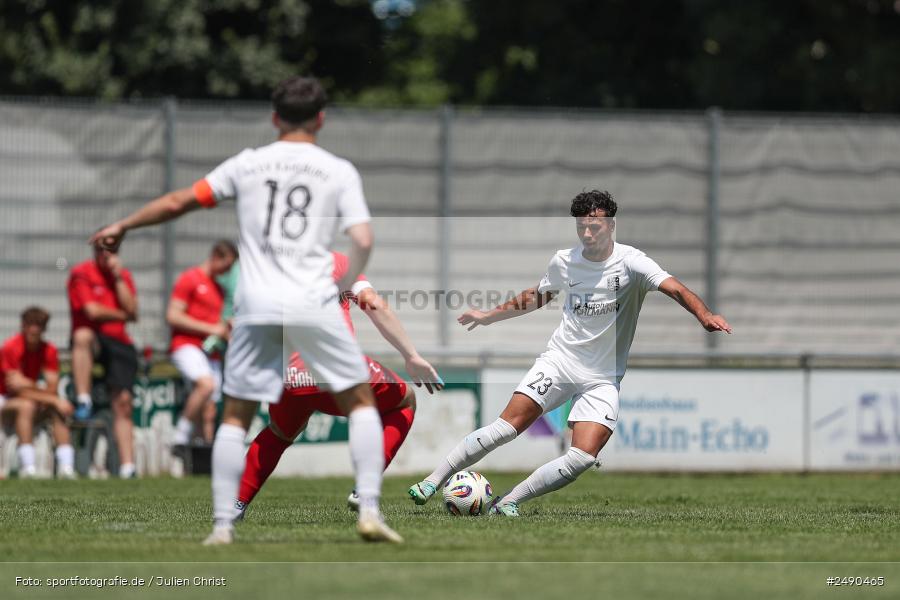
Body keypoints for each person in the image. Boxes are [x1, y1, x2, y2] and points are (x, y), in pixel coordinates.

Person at [91, 75, 430, 544]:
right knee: (361, 406)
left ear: (274, 117)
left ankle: (222, 525)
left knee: (236, 416)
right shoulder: (337, 170)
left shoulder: (248, 164)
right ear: (321, 118)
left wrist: (124, 226)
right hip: (313, 303)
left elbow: (179, 201)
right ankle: (368, 508)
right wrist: (355, 278)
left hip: (257, 305)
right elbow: (364, 238)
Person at [408, 190, 733, 515]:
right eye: (582, 227)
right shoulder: (565, 261)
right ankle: (432, 481)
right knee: (506, 428)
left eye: (596, 226)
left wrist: (704, 315)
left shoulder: (633, 262)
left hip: (603, 377)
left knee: (582, 457)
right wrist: (490, 315)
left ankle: (508, 502)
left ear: (611, 225)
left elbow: (675, 288)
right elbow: (537, 296)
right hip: (559, 363)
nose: (588, 233)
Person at [236, 251, 442, 517]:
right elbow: (372, 303)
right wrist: (411, 356)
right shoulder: (337, 261)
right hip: (337, 368)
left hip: (290, 374)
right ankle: (364, 490)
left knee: (278, 433)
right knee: (405, 400)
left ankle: (234, 505)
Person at [67, 237, 139, 479]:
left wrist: (118, 277)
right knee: (82, 336)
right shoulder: (81, 273)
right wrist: (123, 314)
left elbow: (134, 311)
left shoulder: (123, 275)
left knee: (124, 403)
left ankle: (128, 467)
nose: (106, 255)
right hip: (94, 341)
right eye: (101, 250)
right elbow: (92, 311)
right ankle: (84, 399)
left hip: (119, 343)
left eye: (112, 249)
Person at [168, 240, 238, 448]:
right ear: (217, 256)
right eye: (226, 265)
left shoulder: (219, 288)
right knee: (205, 385)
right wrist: (212, 329)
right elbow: (173, 316)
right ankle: (180, 438)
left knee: (209, 410)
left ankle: (202, 456)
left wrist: (226, 329)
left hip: (210, 352)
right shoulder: (190, 279)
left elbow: (217, 322)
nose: (227, 271)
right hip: (186, 345)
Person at [0, 307, 75, 478]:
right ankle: (28, 466)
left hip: (28, 398)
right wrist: (53, 398)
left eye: (39, 324)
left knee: (57, 410)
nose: (34, 328)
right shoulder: (10, 348)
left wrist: (27, 383)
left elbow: (52, 389)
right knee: (28, 405)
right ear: (23, 325)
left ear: (44, 328)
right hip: (4, 398)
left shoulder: (49, 350)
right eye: (30, 324)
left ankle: (66, 466)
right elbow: (14, 390)